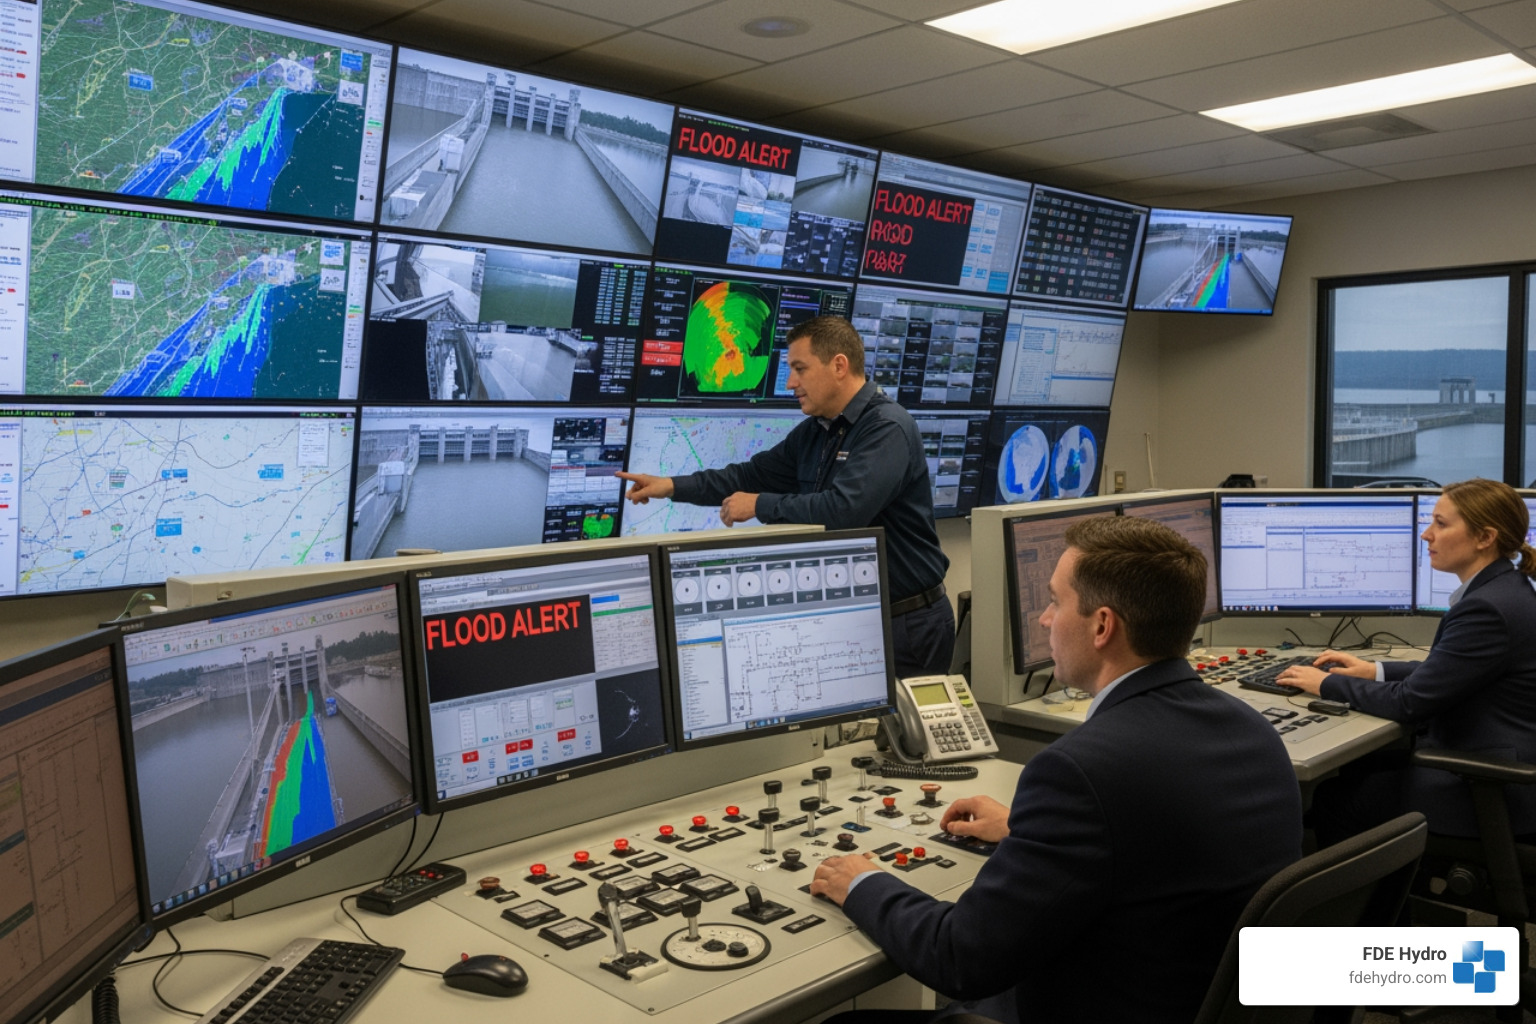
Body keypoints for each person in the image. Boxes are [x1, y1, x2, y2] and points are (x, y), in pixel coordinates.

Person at [810, 517, 1303, 1024]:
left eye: (1054, 602)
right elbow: (1152, 843)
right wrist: (1028, 832)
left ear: (1102, 626)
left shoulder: (1080, 772)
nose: (1045, 620)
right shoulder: (1250, 730)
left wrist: (863, 882)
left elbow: (960, 958)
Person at [616, 315, 954, 677]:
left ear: (839, 366)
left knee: (907, 734)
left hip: (908, 622)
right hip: (861, 617)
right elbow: (749, 474)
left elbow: (842, 512)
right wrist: (670, 485)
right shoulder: (817, 432)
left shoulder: (886, 428)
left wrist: (759, 505)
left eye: (799, 368)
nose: (791, 382)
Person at [1277, 477, 1536, 842]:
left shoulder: (1488, 608)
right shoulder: (1504, 589)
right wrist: (1373, 669)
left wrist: (1325, 683)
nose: (1426, 534)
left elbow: (1410, 702)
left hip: (1491, 789)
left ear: (1484, 538)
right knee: (1357, 769)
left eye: (1441, 524)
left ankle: (1375, 899)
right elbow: (1449, 670)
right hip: (1494, 759)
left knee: (1335, 798)